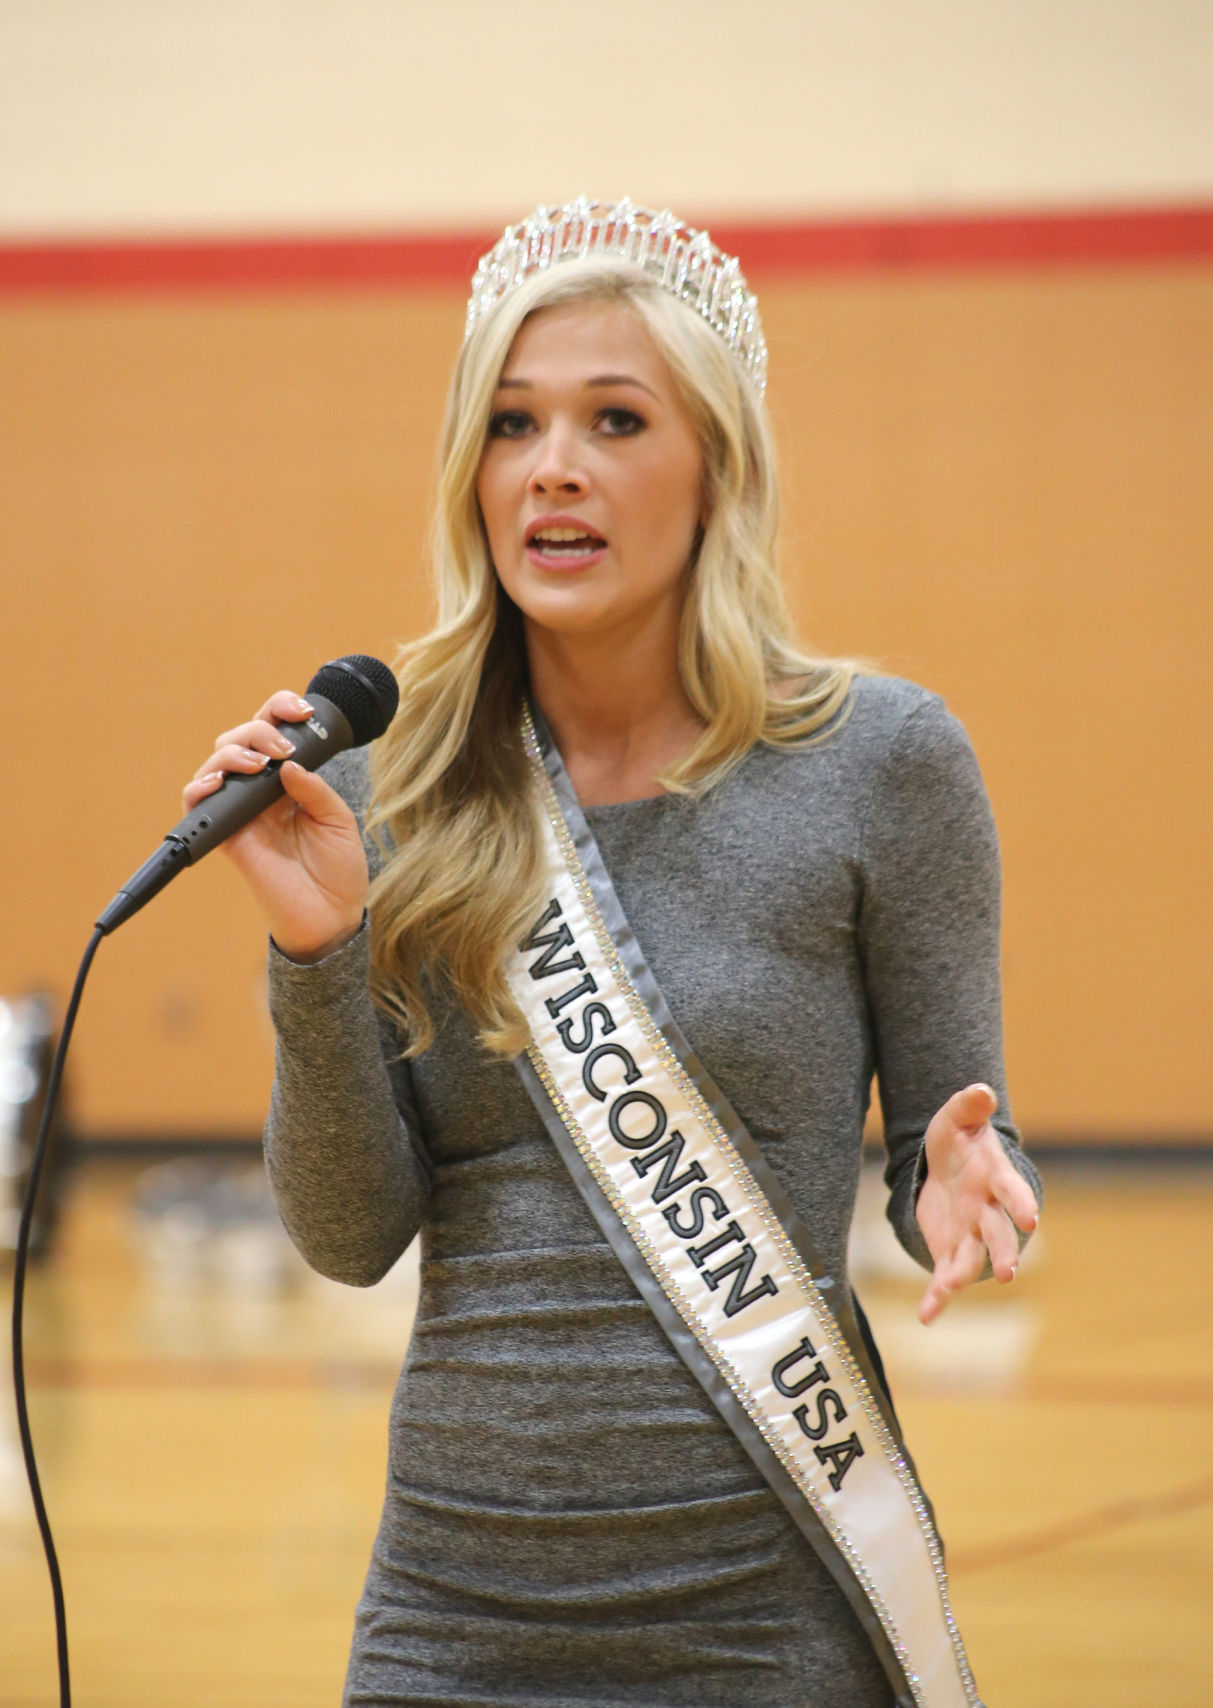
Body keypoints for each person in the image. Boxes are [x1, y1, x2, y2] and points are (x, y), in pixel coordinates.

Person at [184, 200, 1041, 1707]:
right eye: (512, 424)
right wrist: (314, 949)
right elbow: (346, 1237)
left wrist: (954, 1182)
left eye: (616, 418)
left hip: (766, 1617)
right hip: (448, 1620)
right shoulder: (385, 790)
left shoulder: (880, 763)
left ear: (717, 467)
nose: (553, 465)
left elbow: (941, 1150)